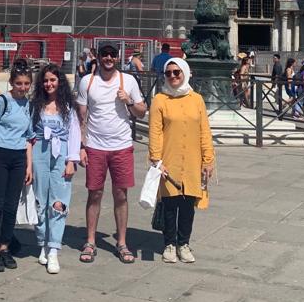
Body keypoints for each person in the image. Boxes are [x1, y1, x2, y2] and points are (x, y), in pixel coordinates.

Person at [76, 43, 146, 265]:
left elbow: (142, 112)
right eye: (104, 54)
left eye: (112, 55)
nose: (108, 58)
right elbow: (81, 117)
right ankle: (90, 241)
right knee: (94, 193)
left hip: (121, 145)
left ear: (118, 58)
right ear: (98, 56)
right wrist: (81, 146)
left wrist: (130, 101)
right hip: (95, 146)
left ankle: (122, 242)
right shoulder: (87, 81)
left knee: (121, 194)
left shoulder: (129, 81)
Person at [149, 57, 215, 263]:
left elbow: (205, 130)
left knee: (187, 205)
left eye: (177, 72)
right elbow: (155, 132)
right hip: (170, 159)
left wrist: (208, 159)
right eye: (168, 73)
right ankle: (169, 243)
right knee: (170, 204)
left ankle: (184, 243)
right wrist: (156, 159)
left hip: (193, 161)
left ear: (185, 73)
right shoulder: (160, 99)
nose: (173, 76)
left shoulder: (197, 99)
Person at [0, 60, 34, 272]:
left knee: (12, 205)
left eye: (26, 83)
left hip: (19, 156)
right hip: (0, 155)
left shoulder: (28, 104)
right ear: (12, 83)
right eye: (19, 83)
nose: (22, 88)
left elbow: (28, 137)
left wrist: (29, 166)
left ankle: (5, 247)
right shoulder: (3, 101)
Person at [30, 63, 80, 274]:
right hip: (39, 154)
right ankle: (42, 242)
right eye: (46, 80)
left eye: (53, 80)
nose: (49, 84)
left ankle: (54, 249)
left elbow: (75, 133)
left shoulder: (68, 107)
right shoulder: (36, 106)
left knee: (58, 202)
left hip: (61, 155)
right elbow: (30, 133)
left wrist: (72, 160)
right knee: (39, 201)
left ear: (60, 82)